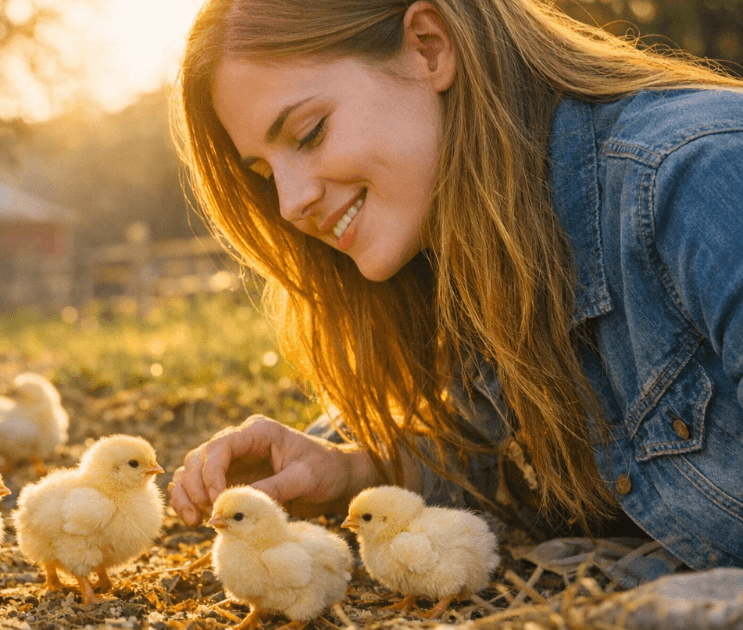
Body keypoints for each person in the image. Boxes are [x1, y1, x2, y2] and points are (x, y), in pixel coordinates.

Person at [168, 0, 743, 573]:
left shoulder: (697, 181)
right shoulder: (472, 248)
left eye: (309, 133)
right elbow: (498, 452)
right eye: (266, 174)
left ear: (428, 47)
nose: (290, 203)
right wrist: (353, 470)